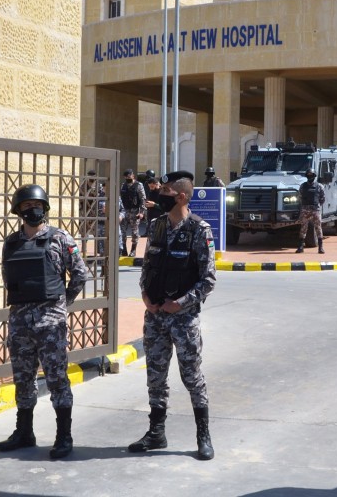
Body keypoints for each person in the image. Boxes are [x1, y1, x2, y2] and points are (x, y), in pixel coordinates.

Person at [128, 170, 216, 461]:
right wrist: (144, 296)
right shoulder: (156, 227)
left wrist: (181, 303)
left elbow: (208, 280)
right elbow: (147, 267)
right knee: (155, 376)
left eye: (165, 192)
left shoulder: (199, 230)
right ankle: (156, 433)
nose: (159, 196)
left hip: (183, 318)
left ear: (181, 196)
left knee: (192, 376)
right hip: (154, 317)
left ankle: (203, 436)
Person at [0, 184, 89, 460]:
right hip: (20, 323)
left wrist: (61, 303)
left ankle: (64, 436)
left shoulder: (60, 238)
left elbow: (80, 274)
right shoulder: (11, 243)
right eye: (26, 206)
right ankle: (24, 432)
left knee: (57, 380)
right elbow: (7, 278)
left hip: (51, 324)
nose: (32, 210)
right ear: (18, 211)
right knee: (23, 380)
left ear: (44, 208)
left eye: (36, 205)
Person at [296, 168, 325, 254]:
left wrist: (317, 206)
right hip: (305, 210)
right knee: (303, 228)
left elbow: (322, 198)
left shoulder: (319, 186)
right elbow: (299, 197)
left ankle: (321, 248)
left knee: (318, 228)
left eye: (311, 175)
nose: (310, 176)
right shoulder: (303, 186)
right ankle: (300, 247)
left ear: (314, 176)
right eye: (308, 175)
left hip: (315, 209)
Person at [119, 168, 147, 257]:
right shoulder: (123, 185)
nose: (127, 178)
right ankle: (124, 250)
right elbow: (120, 199)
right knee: (122, 232)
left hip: (135, 211)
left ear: (133, 175)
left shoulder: (139, 185)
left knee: (135, 232)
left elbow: (143, 199)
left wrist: (142, 212)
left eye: (129, 176)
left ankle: (133, 250)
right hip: (124, 211)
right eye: (126, 176)